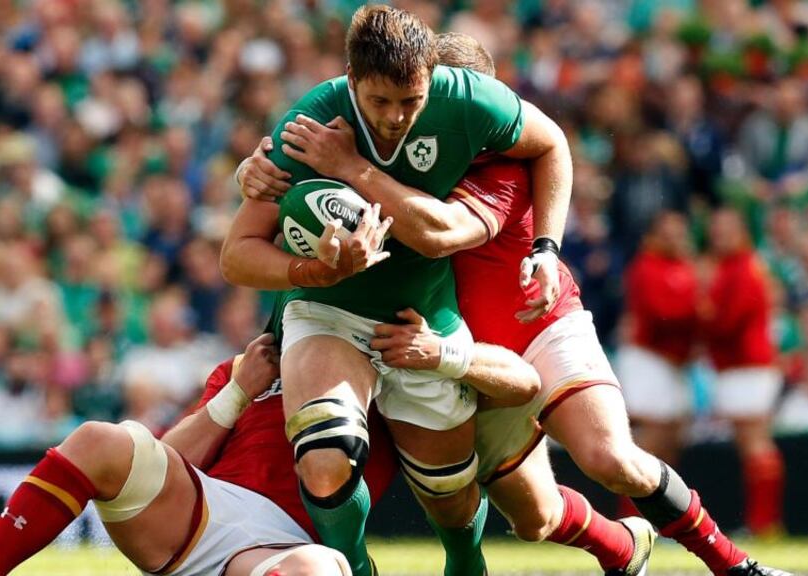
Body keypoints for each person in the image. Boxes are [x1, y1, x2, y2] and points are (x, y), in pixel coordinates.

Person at [239, 28, 791, 576]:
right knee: (536, 516)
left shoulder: (501, 169)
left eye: (418, 104)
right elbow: (283, 218)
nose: (406, 119)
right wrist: (258, 171)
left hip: (535, 326)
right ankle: (623, 548)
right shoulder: (382, 143)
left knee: (611, 459)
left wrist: (546, 249)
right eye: (392, 103)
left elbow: (437, 231)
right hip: (459, 340)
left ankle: (736, 565)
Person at [222, 6, 574, 576]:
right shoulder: (312, 120)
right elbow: (236, 255)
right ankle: (354, 568)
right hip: (330, 311)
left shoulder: (469, 100)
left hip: (423, 316)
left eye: (411, 101)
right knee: (324, 458)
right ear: (351, 78)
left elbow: (550, 143)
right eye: (379, 101)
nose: (395, 117)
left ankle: (467, 562)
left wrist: (547, 247)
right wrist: (317, 273)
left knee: (451, 498)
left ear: (432, 76)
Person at [0, 333, 396, 576]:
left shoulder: (393, 375)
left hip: (283, 545)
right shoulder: (247, 364)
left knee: (309, 572)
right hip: (203, 513)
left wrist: (445, 358)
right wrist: (239, 392)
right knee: (100, 441)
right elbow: (167, 457)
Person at [701, 208, 785, 537]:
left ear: (741, 232)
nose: (720, 236)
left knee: (755, 443)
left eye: (726, 229)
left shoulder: (744, 268)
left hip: (748, 366)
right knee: (752, 444)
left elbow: (726, 321)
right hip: (742, 366)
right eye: (715, 229)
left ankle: (765, 523)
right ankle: (763, 522)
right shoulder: (733, 266)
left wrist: (700, 313)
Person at [617, 212, 700, 467]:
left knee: (673, 436)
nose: (675, 240)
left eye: (679, 235)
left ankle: (664, 505)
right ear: (651, 237)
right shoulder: (645, 266)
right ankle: (631, 504)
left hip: (675, 363)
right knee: (653, 435)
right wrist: (703, 311)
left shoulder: (685, 266)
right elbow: (660, 315)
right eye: (667, 235)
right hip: (649, 358)